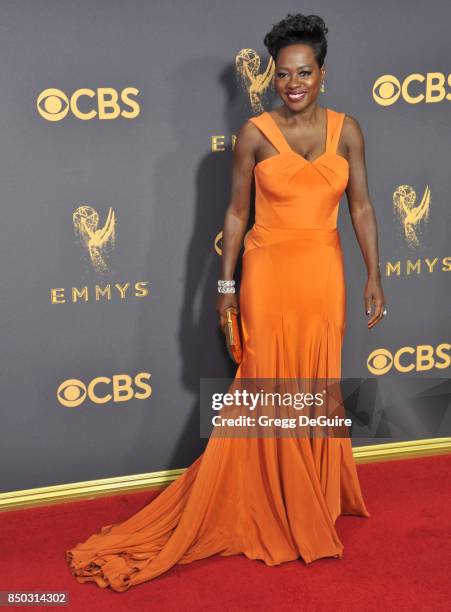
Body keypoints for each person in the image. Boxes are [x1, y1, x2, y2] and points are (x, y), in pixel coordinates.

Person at [66, 13, 386, 592]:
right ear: (273, 77)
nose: (293, 84)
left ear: (322, 73)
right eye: (283, 74)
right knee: (267, 377)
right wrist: (224, 286)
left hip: (324, 272)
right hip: (268, 272)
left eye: (304, 72)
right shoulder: (256, 134)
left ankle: (310, 492)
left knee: (316, 380)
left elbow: (361, 206)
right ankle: (269, 498)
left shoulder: (351, 130)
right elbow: (237, 213)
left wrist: (375, 275)